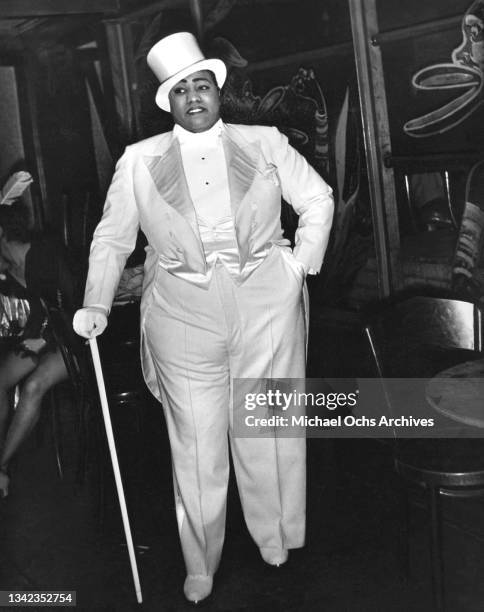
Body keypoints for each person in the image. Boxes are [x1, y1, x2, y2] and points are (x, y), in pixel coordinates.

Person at [73, 31, 334, 604]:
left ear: (217, 91)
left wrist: (298, 269)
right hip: (181, 312)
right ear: (166, 101)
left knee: (267, 424)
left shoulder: (264, 141)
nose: (194, 96)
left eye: (202, 84)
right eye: (180, 88)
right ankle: (201, 562)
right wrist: (95, 303)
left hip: (266, 301)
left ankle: (277, 535)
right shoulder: (138, 161)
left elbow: (318, 200)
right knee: (195, 442)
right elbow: (112, 240)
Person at [0, 203, 77, 498]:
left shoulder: (45, 255)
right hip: (45, 337)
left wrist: (44, 341)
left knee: (33, 386)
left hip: (75, 339)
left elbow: (78, 307)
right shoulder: (12, 269)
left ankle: (2, 466)